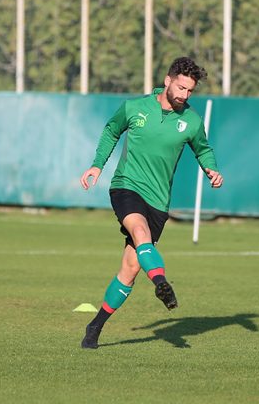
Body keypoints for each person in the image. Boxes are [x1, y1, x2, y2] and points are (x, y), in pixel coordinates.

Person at [78, 56, 223, 350]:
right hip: (126, 187)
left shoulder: (192, 122)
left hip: (158, 201)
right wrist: (97, 166)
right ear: (167, 81)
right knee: (140, 231)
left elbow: (203, 149)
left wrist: (211, 168)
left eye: (190, 91)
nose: (184, 95)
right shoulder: (135, 108)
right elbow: (111, 131)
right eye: (181, 88)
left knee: (130, 268)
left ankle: (95, 326)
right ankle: (161, 284)